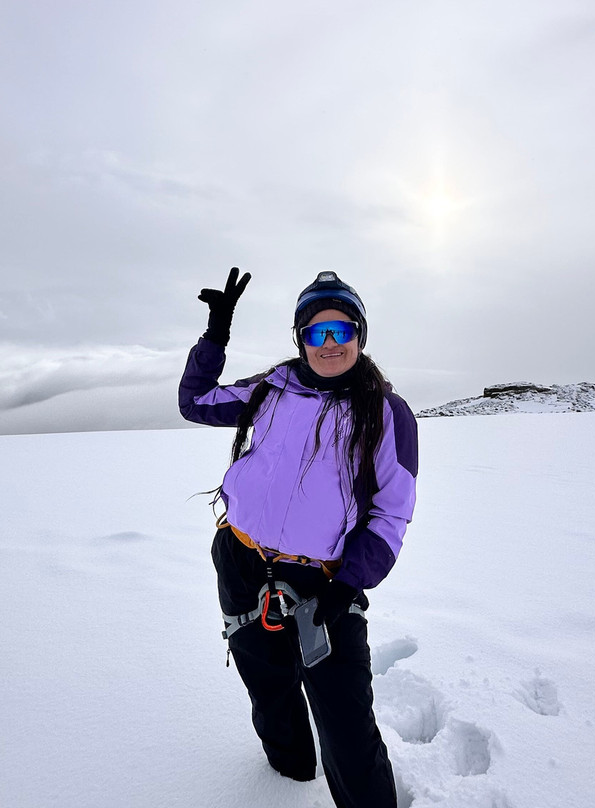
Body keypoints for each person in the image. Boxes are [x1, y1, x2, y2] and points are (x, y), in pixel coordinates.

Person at [178, 268, 418, 808]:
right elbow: (196, 403)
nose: (329, 344)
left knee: (347, 725)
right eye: (316, 332)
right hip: (242, 560)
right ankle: (286, 779)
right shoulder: (271, 389)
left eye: (341, 331)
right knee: (268, 688)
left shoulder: (385, 412)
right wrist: (215, 337)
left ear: (360, 335)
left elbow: (390, 518)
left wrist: (346, 586)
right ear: (299, 338)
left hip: (325, 582)